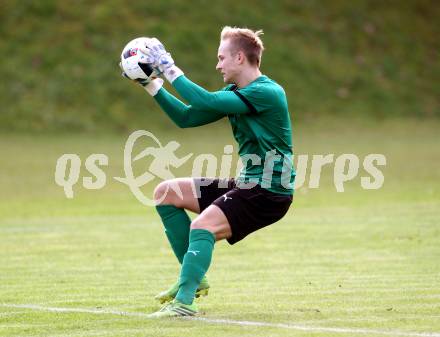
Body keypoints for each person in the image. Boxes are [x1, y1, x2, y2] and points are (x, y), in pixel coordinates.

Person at [122, 26, 296, 317]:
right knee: (166, 193)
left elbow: (206, 101)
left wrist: (169, 67)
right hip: (249, 184)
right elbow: (187, 117)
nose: (217, 65)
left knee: (202, 226)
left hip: (269, 191)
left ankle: (184, 303)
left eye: (221, 58)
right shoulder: (236, 93)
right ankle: (192, 278)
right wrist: (151, 85)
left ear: (240, 58)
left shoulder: (268, 92)